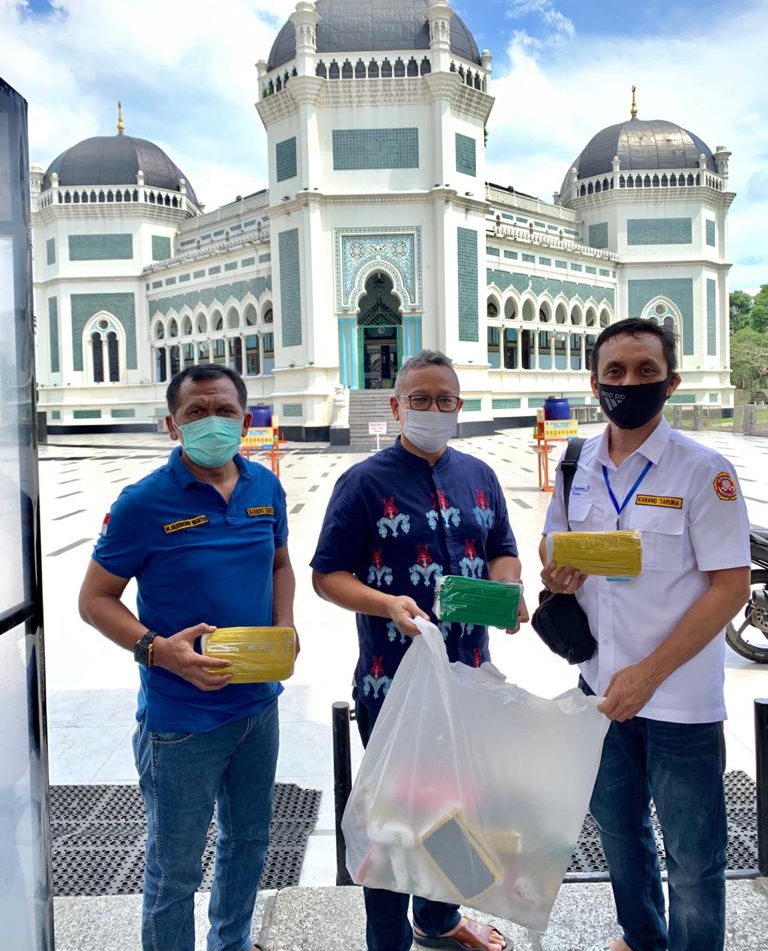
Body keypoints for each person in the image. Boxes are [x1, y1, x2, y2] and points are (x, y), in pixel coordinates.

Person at [539, 318, 751, 951]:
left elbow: (730, 588)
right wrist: (557, 570)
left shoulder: (703, 472)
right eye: (615, 372)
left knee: (693, 856)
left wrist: (648, 676)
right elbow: (552, 543)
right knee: (620, 834)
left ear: (671, 382)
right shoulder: (575, 463)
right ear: (594, 382)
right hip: (599, 692)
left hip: (679, 701)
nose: (628, 383)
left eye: (645, 371)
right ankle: (641, 938)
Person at [311, 349, 526, 951]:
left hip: (468, 678)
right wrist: (386, 604)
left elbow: (503, 549)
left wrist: (507, 589)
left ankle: (438, 919)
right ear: (396, 406)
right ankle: (387, 939)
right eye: (420, 399)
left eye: (444, 399)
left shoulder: (479, 476)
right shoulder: (363, 483)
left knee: (457, 805)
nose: (433, 409)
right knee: (396, 817)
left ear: (459, 405)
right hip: (394, 686)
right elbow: (327, 575)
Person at [79, 364, 296, 951]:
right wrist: (158, 651)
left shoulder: (265, 487)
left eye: (224, 410)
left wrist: (284, 623)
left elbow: (280, 564)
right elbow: (94, 600)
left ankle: (232, 941)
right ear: (173, 424)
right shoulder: (143, 503)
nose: (212, 422)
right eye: (196, 412)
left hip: (258, 705)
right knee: (174, 869)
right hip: (181, 722)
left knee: (248, 842)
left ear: (245, 420)